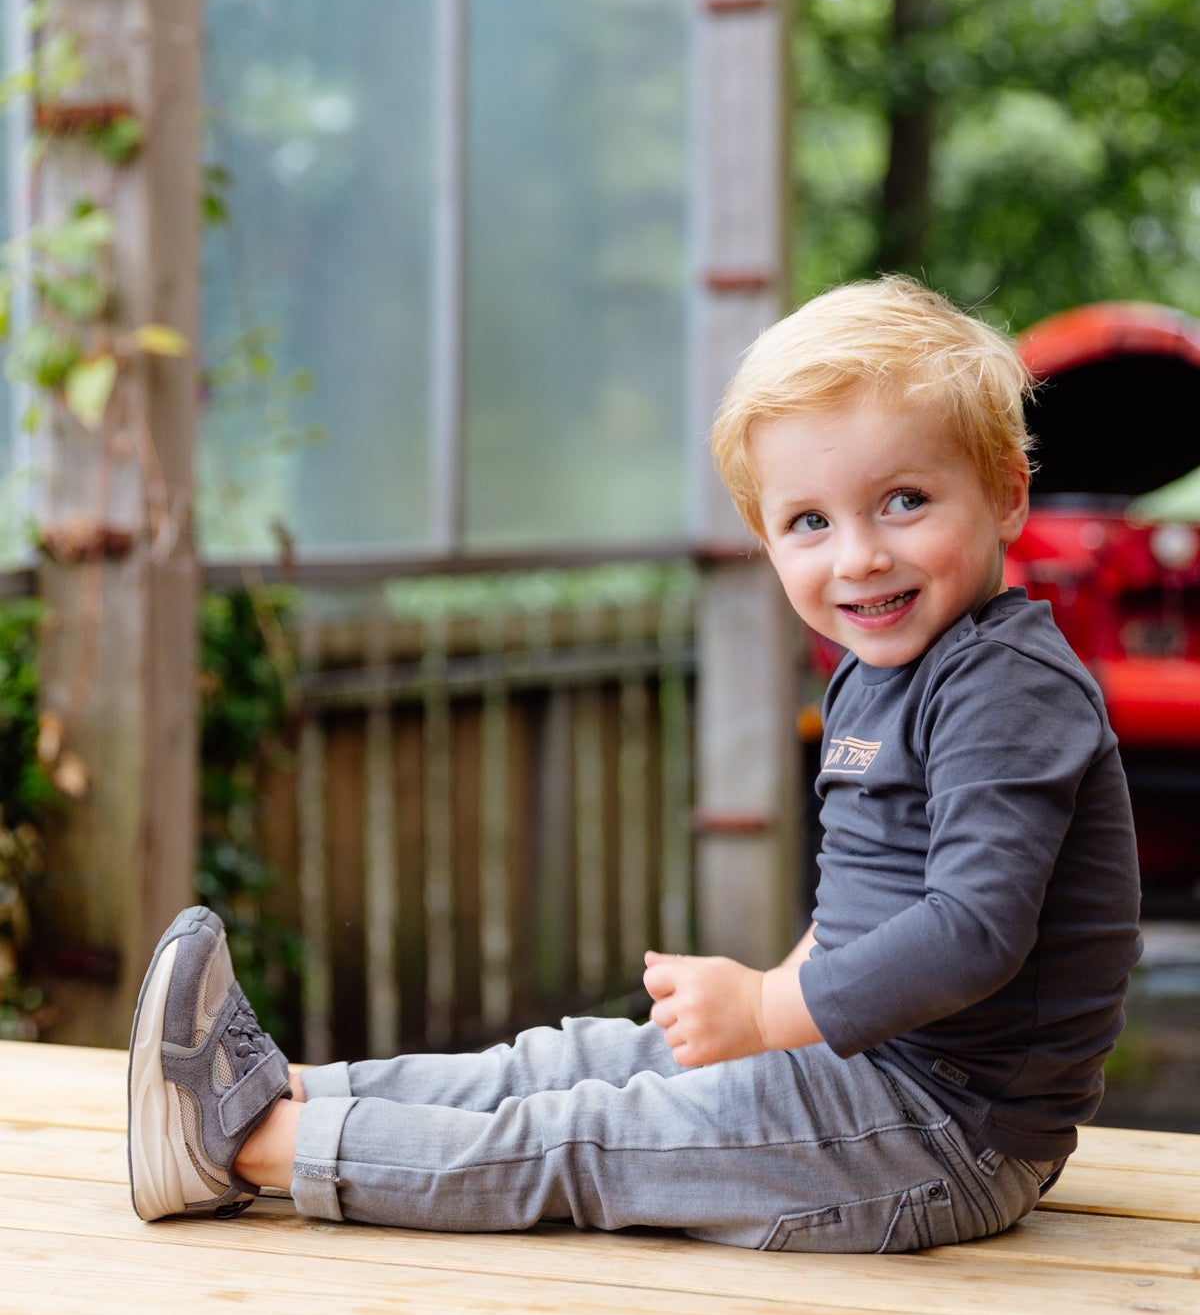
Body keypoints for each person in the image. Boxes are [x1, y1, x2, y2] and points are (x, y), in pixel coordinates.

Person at [127, 275, 1142, 1253]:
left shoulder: (1007, 683)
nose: (859, 556)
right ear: (766, 538)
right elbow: (854, 914)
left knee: (590, 1136)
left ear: (1008, 493)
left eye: (906, 499)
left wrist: (761, 1011)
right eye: (811, 522)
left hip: (950, 1134)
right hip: (875, 1081)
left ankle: (241, 1150)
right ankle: (294, 1093)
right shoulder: (881, 671)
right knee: (577, 1060)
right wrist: (769, 1003)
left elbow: (971, 932)